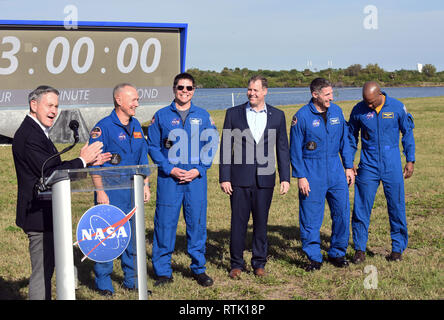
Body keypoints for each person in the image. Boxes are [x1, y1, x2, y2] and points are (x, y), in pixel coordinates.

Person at [12, 85, 110, 300]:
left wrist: (87, 163)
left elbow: (52, 168)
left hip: (50, 213)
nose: (54, 111)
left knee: (49, 271)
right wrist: (83, 160)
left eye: (57, 106)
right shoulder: (30, 135)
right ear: (33, 104)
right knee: (42, 274)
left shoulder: (39, 132)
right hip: (38, 217)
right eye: (50, 105)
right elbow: (50, 173)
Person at [147, 72, 218, 287]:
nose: (184, 91)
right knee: (164, 225)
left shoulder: (203, 116)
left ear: (194, 90)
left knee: (196, 224)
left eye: (188, 88)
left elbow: (211, 143)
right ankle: (162, 272)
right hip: (170, 180)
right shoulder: (161, 116)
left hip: (195, 180)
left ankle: (198, 269)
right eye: (180, 87)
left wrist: (199, 169)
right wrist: (170, 168)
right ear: (174, 89)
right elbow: (152, 146)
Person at [219, 75, 290, 279]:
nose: (251, 93)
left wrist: (285, 177)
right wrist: (225, 177)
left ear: (265, 91)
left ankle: (259, 263)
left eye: (256, 90)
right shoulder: (233, 114)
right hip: (239, 179)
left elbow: (283, 149)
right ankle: (236, 264)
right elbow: (225, 147)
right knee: (238, 223)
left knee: (261, 222)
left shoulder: (278, 115)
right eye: (249, 89)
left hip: (265, 179)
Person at [89, 83, 151, 296]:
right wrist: (100, 191)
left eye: (137, 99)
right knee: (106, 238)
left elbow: (143, 158)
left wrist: (146, 184)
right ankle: (103, 281)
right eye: (133, 99)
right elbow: (94, 163)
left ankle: (131, 279)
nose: (137, 103)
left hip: (132, 190)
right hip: (111, 191)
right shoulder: (102, 128)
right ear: (119, 100)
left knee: (133, 236)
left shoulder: (135, 126)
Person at [289, 78, 354, 272]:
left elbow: (346, 142)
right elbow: (295, 151)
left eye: (332, 94)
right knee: (310, 217)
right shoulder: (301, 117)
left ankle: (337, 253)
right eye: (327, 94)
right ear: (315, 94)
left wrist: (349, 167)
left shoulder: (337, 112)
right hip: (311, 171)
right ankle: (314, 258)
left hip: (335, 170)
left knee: (342, 213)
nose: (331, 98)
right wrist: (301, 176)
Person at [348, 81, 415, 263]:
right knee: (361, 207)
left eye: (371, 102)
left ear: (380, 94)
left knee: (396, 206)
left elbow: (407, 133)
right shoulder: (358, 110)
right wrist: (349, 162)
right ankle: (360, 249)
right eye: (365, 102)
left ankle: (397, 249)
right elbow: (351, 136)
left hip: (391, 162)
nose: (368, 105)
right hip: (368, 164)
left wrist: (410, 159)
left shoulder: (396, 107)